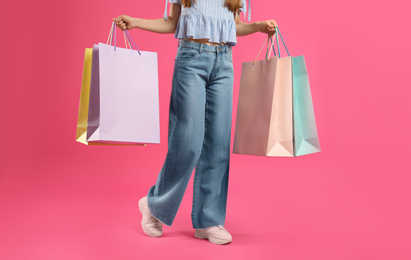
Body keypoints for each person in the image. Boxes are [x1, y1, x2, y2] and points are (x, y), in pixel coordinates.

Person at [113, 0, 277, 245]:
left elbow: (235, 26)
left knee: (218, 144)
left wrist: (257, 26)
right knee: (188, 141)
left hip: (224, 64)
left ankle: (208, 220)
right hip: (191, 60)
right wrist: (136, 23)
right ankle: (153, 205)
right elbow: (172, 22)